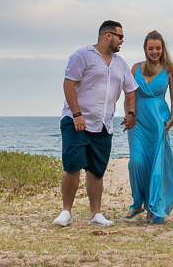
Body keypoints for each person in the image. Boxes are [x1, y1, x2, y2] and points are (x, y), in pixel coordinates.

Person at [53, 20, 137, 228]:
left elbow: (130, 90)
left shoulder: (121, 63)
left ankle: (95, 214)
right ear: (108, 36)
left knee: (96, 170)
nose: (122, 40)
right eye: (120, 36)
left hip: (103, 124)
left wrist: (131, 113)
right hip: (77, 121)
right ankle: (66, 212)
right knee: (72, 165)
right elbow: (69, 83)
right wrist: (77, 114)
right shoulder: (82, 55)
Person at [125, 30, 173, 223]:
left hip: (158, 121)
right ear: (145, 49)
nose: (155, 51)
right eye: (151, 48)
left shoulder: (169, 69)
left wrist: (172, 118)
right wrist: (128, 114)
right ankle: (137, 202)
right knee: (136, 162)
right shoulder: (135, 68)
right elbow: (128, 94)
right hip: (138, 122)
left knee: (156, 165)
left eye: (158, 48)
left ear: (162, 48)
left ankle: (152, 206)